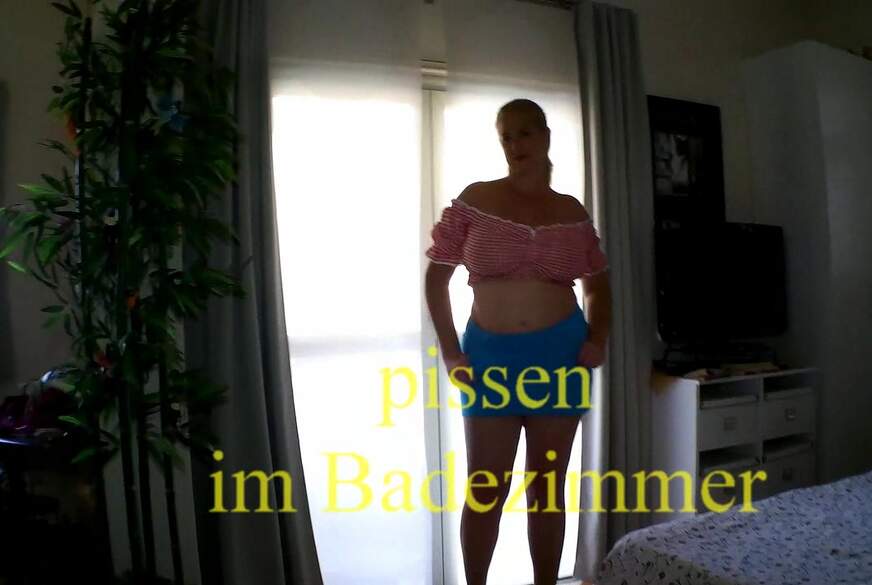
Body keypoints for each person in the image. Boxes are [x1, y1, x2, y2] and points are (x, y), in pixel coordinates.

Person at [424, 98, 611, 585]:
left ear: (545, 136)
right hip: (489, 359)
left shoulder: (571, 211)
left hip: (561, 357)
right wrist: (451, 353)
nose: (515, 144)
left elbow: (598, 286)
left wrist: (598, 338)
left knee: (546, 490)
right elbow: (436, 280)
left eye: (524, 133)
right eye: (506, 136)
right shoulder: (477, 199)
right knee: (485, 488)